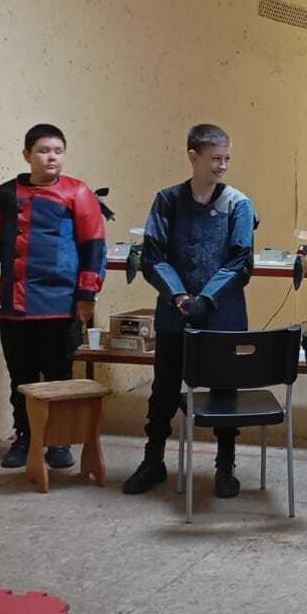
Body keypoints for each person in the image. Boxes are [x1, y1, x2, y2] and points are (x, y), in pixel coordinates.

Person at [122, 124, 256, 498]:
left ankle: (225, 465)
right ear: (193, 157)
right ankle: (153, 461)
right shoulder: (167, 201)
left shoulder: (239, 204)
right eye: (215, 159)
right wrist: (180, 297)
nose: (222, 166)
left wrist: (207, 300)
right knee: (163, 391)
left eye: (227, 159)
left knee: (224, 392)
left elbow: (240, 261)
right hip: (174, 316)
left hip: (223, 316)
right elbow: (153, 257)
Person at [0, 123, 107, 469]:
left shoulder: (78, 193)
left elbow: (94, 247)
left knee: (59, 375)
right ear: (27, 155)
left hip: (62, 302)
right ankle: (25, 437)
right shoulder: (1, 195)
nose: (52, 157)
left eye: (58, 151)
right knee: (21, 377)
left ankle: (59, 441)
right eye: (44, 150)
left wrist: (87, 294)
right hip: (14, 303)